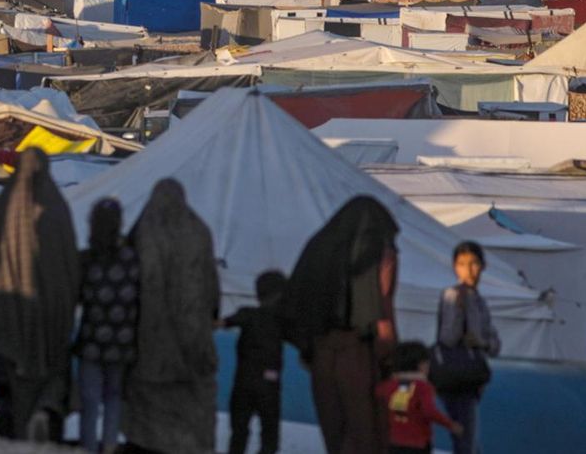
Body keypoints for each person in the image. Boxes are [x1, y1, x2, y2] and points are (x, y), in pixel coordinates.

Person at [285, 195, 400, 454]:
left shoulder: (320, 246)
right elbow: (382, 305)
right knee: (366, 434)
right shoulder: (376, 248)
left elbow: (297, 306)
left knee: (335, 433)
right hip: (362, 355)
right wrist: (392, 356)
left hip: (322, 356)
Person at [0, 146, 80, 441]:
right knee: (52, 372)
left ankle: (13, 429)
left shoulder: (3, 206)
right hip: (50, 312)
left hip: (8, 309)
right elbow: (69, 263)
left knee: (11, 379)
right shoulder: (56, 208)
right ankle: (44, 413)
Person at [122, 178, 221, 454]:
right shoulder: (198, 230)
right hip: (191, 339)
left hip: (148, 342)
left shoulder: (144, 229)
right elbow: (210, 284)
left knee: (148, 411)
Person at [74, 198, 140, 454]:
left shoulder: (88, 258)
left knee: (89, 403)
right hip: (122, 343)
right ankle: (110, 445)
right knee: (113, 398)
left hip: (92, 341)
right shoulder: (131, 259)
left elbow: (79, 295)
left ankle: (88, 447)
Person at [437, 241, 500, 454]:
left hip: (472, 376)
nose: (469, 270)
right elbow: (447, 337)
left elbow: (493, 343)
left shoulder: (479, 301)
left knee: (468, 436)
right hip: (458, 374)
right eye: (462, 264)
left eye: (473, 263)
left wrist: (480, 342)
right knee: (465, 437)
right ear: (455, 267)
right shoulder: (453, 295)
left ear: (482, 266)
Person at [227, 270, 289, 454]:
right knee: (269, 437)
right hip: (269, 385)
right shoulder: (282, 321)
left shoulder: (247, 314)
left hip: (243, 383)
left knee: (238, 434)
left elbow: (224, 322)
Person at [377, 341, 460, 454]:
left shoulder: (390, 386)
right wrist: (450, 424)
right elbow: (429, 411)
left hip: (395, 443)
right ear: (421, 365)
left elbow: (379, 392)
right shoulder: (423, 387)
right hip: (418, 443)